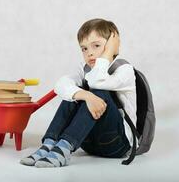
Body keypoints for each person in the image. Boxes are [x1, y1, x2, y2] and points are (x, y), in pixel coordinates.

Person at [20, 18, 137, 168]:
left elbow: (97, 82)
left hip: (117, 144)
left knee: (99, 92)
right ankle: (49, 144)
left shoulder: (124, 69)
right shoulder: (84, 68)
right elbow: (60, 85)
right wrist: (84, 95)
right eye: (84, 49)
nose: (89, 53)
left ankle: (63, 149)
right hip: (87, 143)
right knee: (72, 94)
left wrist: (108, 55)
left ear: (111, 45)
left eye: (96, 46)